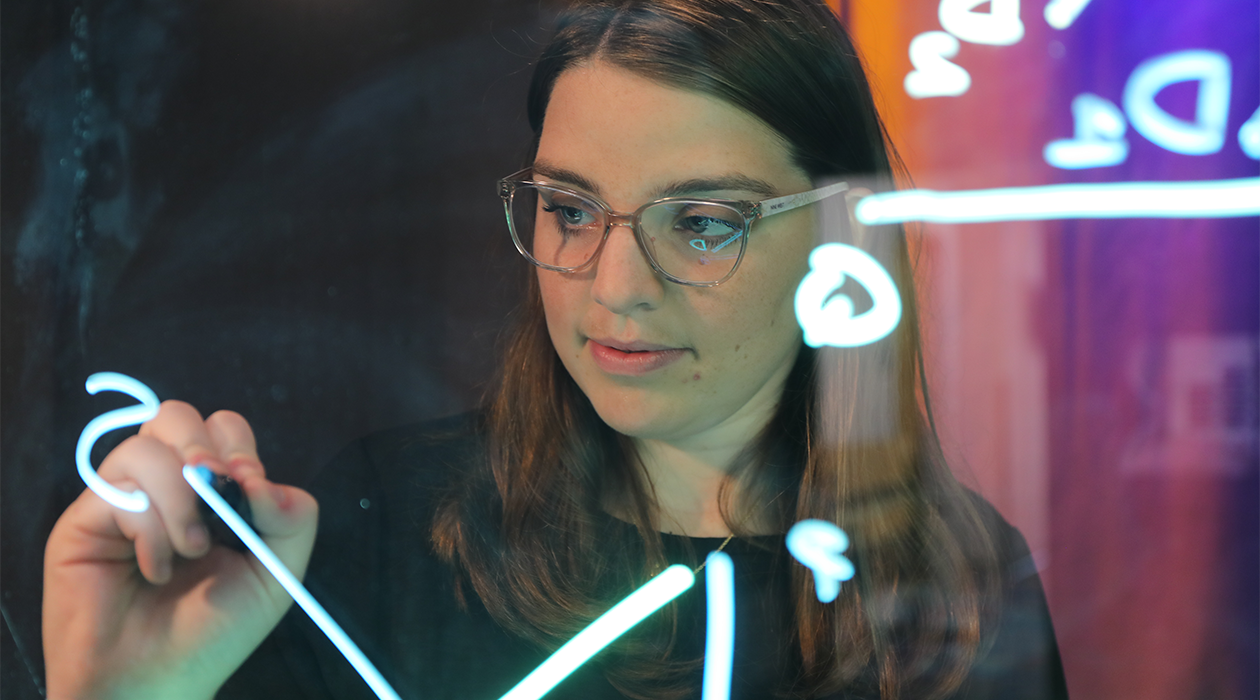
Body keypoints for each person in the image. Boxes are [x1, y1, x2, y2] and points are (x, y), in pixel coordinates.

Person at [42, 1, 1068, 698]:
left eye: (705, 221)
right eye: (569, 210)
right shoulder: (391, 532)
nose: (614, 289)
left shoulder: (960, 593)